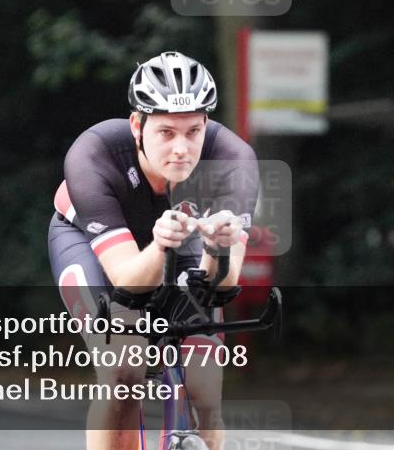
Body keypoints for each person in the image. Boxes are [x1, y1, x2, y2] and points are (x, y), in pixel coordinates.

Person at [48, 51, 258, 450]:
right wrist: (160, 245)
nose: (181, 148)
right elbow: (127, 280)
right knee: (123, 371)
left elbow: (224, 284)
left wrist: (218, 247)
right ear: (137, 125)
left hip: (182, 242)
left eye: (193, 131)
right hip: (92, 246)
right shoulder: (94, 154)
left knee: (205, 388)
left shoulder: (234, 160)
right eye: (166, 132)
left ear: (207, 125)